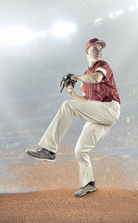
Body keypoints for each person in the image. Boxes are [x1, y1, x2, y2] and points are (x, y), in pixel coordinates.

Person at [26, 38, 121, 197]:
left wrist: (74, 77)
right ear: (87, 51)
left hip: (109, 108)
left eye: (100, 49)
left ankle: (49, 149)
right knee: (80, 150)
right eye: (94, 48)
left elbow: (96, 78)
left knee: (67, 106)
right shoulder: (85, 74)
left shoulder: (102, 66)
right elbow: (85, 101)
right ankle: (88, 183)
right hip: (98, 114)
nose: (99, 51)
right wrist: (72, 93)